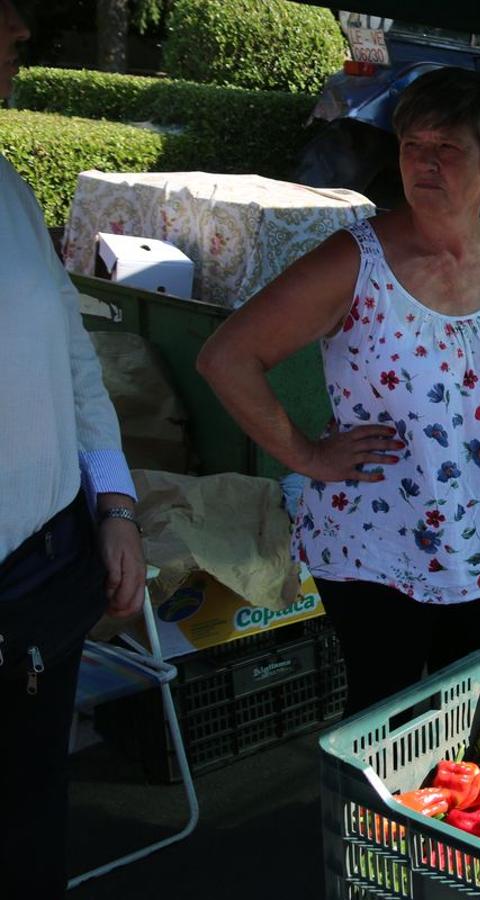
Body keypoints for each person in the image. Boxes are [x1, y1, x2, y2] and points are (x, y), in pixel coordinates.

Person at [199, 67, 480, 714]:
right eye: (414, 145)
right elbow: (228, 357)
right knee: (386, 719)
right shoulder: (352, 264)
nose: (426, 163)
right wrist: (307, 457)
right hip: (376, 552)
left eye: (448, 149)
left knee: (471, 714)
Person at [0, 2, 146, 896]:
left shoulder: (10, 189)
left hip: (41, 587)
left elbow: (74, 360)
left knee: (30, 810)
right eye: (1, 11)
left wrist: (115, 503)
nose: (22, 26)